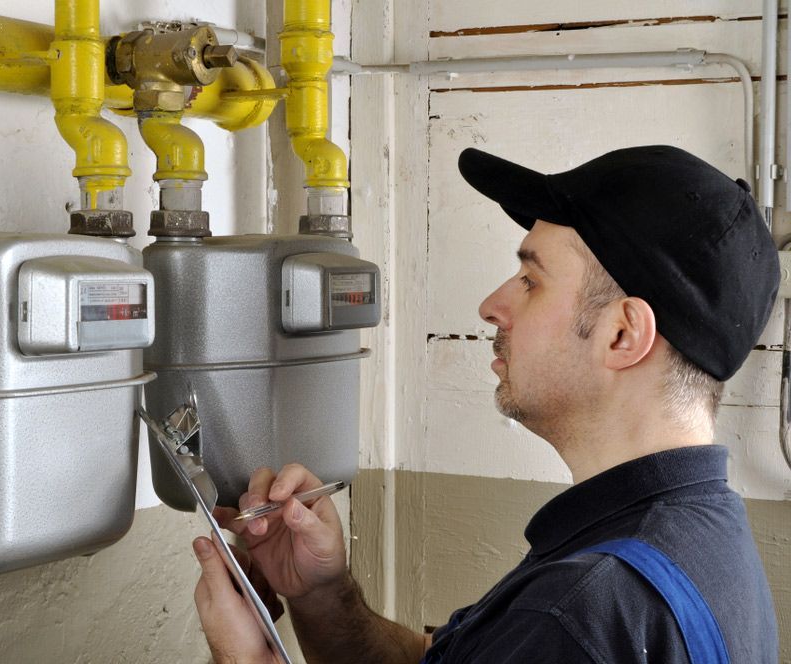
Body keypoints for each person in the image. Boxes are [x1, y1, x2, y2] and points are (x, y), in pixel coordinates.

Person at [190, 145, 781, 663]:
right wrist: (320, 595)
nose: (492, 305)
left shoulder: (579, 616)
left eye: (531, 280)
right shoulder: (693, 536)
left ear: (623, 336)